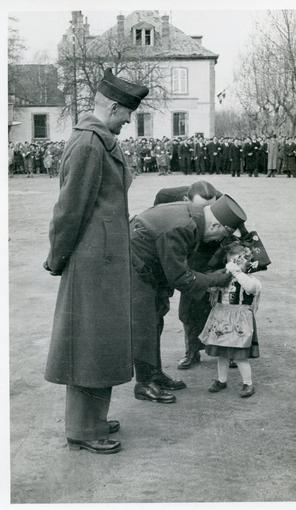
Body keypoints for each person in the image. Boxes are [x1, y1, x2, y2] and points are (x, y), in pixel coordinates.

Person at [43, 68, 149, 454]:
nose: (127, 122)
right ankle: (83, 429)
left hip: (104, 264)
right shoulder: (89, 144)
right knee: (87, 347)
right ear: (115, 107)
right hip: (90, 265)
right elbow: (68, 211)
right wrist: (58, 258)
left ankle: (93, 418)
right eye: (126, 115)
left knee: (99, 345)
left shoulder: (103, 141)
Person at [131, 194, 247, 404]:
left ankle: (154, 374)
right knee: (144, 323)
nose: (215, 242)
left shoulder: (195, 213)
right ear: (216, 226)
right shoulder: (182, 227)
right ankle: (144, 383)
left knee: (155, 318)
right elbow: (180, 278)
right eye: (219, 236)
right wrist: (215, 279)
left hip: (147, 264)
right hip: (134, 268)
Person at [199, 242, 261, 398]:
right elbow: (210, 288)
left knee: (240, 355)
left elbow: (251, 289)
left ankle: (248, 383)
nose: (234, 266)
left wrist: (238, 273)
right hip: (221, 316)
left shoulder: (250, 280)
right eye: (231, 262)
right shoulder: (224, 278)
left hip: (239, 318)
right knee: (222, 353)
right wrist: (215, 279)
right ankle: (221, 380)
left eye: (238, 262)